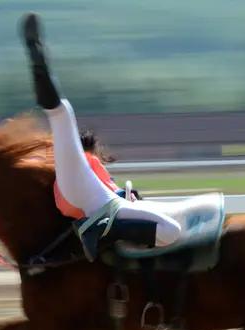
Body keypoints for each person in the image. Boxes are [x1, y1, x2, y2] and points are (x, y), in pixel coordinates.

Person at [20, 13, 181, 253]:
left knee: (61, 113)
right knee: (173, 231)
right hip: (96, 204)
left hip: (78, 201)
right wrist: (128, 196)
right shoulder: (89, 161)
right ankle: (98, 230)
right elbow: (111, 193)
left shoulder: (68, 167)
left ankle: (100, 230)